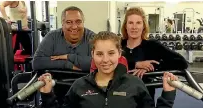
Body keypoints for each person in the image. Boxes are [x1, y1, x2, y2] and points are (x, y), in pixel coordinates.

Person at [38, 31, 178, 108]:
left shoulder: (135, 85)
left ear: (119, 53)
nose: (105, 60)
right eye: (99, 54)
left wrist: (167, 96)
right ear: (92, 54)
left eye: (111, 53)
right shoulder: (79, 86)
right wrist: (47, 96)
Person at [121, 7, 188, 100]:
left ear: (144, 25)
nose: (134, 27)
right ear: (125, 25)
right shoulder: (118, 45)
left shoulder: (152, 45)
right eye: (130, 23)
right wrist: (136, 64)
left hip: (144, 99)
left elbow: (181, 62)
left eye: (138, 23)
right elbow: (109, 64)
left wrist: (152, 67)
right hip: (120, 98)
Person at [32, 6, 95, 71]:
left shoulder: (93, 38)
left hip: (85, 80)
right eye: (69, 22)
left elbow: (99, 63)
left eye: (78, 22)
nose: (74, 27)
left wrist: (69, 57)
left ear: (83, 23)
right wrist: (66, 64)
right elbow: (37, 63)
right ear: (62, 24)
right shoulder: (52, 36)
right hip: (57, 80)